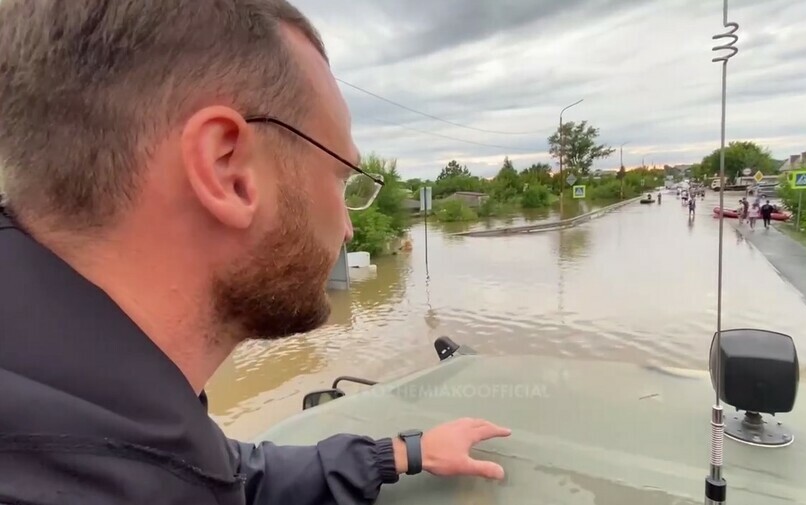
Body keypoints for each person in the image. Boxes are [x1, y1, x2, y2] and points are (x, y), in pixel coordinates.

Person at [0, 2, 510, 504]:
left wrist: (400, 454)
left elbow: (227, 470)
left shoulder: (78, 409)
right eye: (342, 179)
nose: (350, 227)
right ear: (229, 171)